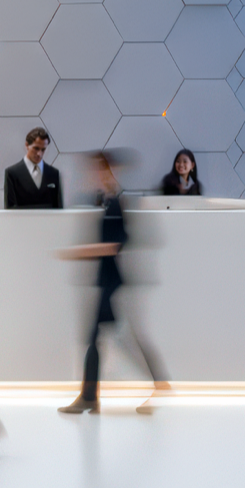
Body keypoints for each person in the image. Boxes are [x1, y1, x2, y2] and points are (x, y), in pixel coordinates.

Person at [58, 149, 170, 415]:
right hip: (107, 281)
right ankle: (90, 397)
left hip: (110, 282)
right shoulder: (108, 200)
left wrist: (77, 253)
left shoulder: (113, 203)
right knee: (103, 338)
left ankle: (154, 384)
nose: (92, 175)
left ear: (107, 171)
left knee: (109, 338)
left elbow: (114, 245)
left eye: (97, 170)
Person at [2, 127, 63, 208]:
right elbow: (10, 208)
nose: (39, 154)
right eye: (36, 148)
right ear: (27, 145)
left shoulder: (53, 173)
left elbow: (58, 208)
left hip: (49, 220)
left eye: (43, 149)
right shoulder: (12, 173)